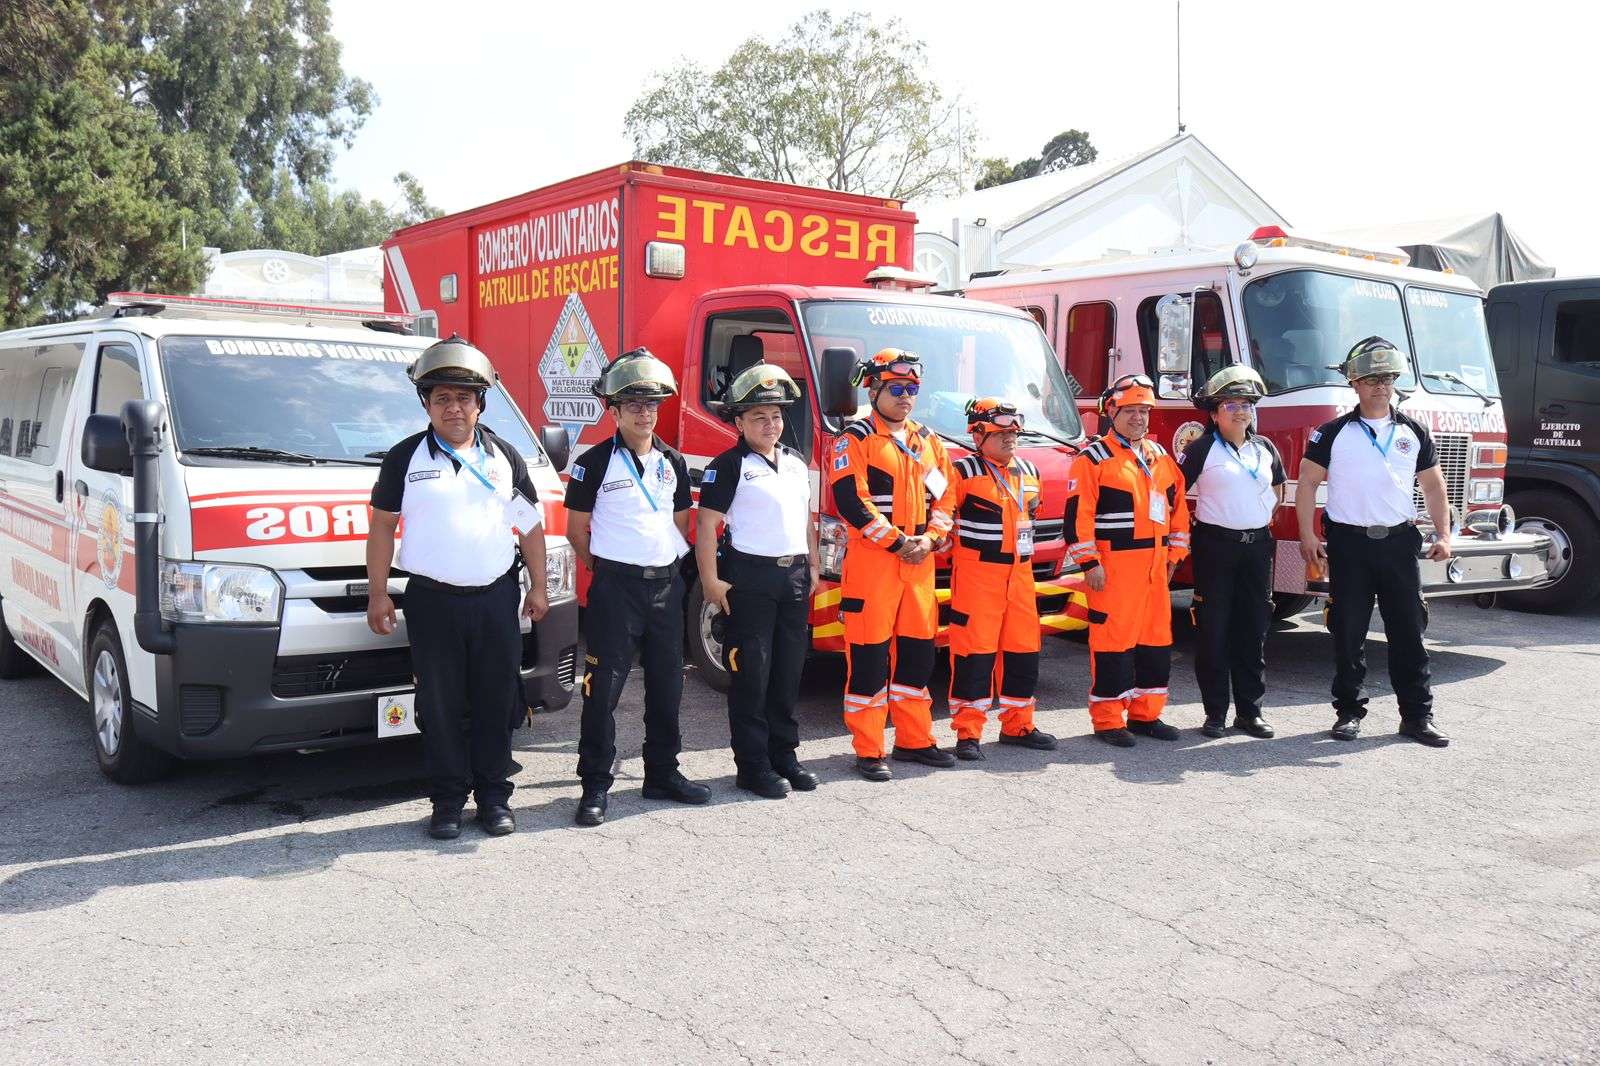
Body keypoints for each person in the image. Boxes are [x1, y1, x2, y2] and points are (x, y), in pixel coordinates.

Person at [366, 335, 550, 841]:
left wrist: (537, 586)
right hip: (432, 601)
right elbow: (382, 526)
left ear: (480, 404)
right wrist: (378, 592)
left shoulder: (504, 456)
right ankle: (447, 801)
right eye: (442, 398)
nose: (453, 407)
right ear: (425, 403)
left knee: (497, 701)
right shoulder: (404, 458)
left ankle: (494, 798)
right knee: (440, 707)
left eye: (464, 398)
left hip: (495, 599)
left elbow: (530, 526)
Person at [565, 348, 711, 826]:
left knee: (668, 688)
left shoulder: (672, 460)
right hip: (616, 591)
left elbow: (680, 523)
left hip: (666, 590)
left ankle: (662, 774)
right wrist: (608, 569)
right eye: (634, 405)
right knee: (602, 691)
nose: (644, 413)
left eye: (651, 405)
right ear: (615, 410)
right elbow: (576, 532)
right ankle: (594, 786)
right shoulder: (593, 462)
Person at [1297, 336, 1452, 747]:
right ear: (1355, 384)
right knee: (1348, 632)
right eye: (1371, 379)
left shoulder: (1414, 431)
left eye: (1387, 378)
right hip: (1349, 546)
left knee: (1408, 633)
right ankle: (1349, 712)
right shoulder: (1331, 433)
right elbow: (1308, 484)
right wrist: (1308, 535)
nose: (1380, 387)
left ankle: (1418, 717)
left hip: (1399, 544)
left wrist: (1445, 534)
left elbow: (1434, 488)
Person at [830, 347, 959, 780]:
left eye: (913, 389)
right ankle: (869, 750)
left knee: (919, 658)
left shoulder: (929, 441)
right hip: (873, 567)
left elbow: (946, 498)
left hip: (919, 568)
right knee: (868, 661)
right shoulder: (854, 438)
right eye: (897, 388)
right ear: (874, 388)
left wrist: (932, 538)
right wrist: (899, 542)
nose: (906, 397)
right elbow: (852, 501)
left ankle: (914, 740)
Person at [695, 363, 822, 799]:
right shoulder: (727, 466)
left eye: (776, 416)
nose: (770, 425)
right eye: (758, 417)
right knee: (752, 675)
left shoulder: (794, 462)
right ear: (738, 422)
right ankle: (752, 766)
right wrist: (710, 582)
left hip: (793, 578)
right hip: (749, 580)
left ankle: (784, 756)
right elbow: (707, 526)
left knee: (788, 673)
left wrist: (814, 564)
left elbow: (805, 519)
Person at [1066, 374, 1191, 747]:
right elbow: (1078, 516)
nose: (1138, 417)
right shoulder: (1093, 459)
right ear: (1111, 412)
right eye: (1130, 410)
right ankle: (1107, 720)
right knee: (1112, 643)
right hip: (1113, 568)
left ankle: (1145, 715)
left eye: (1144, 411)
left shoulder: (1159, 456)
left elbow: (1178, 508)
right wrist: (1089, 563)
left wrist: (1176, 555)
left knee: (1155, 642)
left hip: (1155, 569)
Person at [945, 398, 1058, 760]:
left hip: (1021, 577)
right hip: (978, 576)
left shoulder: (1028, 470)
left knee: (1024, 652)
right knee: (973, 654)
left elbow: (1033, 516)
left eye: (1014, 432)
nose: (1011, 437)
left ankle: (1019, 724)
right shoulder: (960, 473)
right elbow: (942, 520)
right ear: (977, 433)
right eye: (1001, 432)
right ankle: (968, 733)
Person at [1179, 366, 1287, 739]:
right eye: (1231, 405)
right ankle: (1215, 714)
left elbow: (1278, 491)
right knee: (1214, 631)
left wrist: (1259, 521)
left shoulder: (1265, 448)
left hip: (1256, 548)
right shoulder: (1200, 449)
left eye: (1247, 405)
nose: (1241, 412)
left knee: (1253, 630)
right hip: (1216, 548)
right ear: (1213, 413)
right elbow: (1174, 495)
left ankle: (1250, 713)